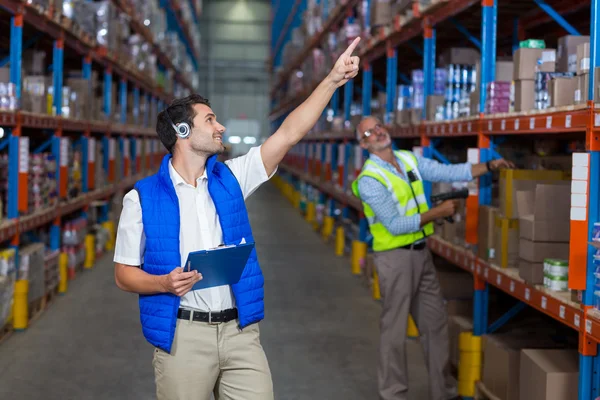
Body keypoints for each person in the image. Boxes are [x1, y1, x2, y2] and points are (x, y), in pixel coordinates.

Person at [112, 37, 362, 400]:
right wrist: (165, 284)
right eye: (210, 120)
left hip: (240, 333)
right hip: (184, 337)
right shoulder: (142, 199)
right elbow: (123, 275)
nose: (221, 128)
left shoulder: (230, 179)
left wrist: (332, 81)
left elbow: (289, 134)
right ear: (183, 132)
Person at [351, 117, 512, 400]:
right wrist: (437, 213)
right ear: (364, 144)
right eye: (369, 132)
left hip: (421, 254)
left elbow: (449, 172)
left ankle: (445, 393)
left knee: (435, 324)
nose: (377, 132)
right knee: (394, 331)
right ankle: (393, 394)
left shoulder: (408, 159)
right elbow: (395, 224)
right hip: (394, 259)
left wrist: (488, 166)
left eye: (378, 126)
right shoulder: (369, 180)